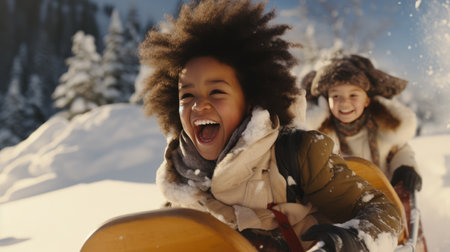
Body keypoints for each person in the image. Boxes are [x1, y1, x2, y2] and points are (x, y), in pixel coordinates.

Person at [139, 1, 402, 251]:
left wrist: (350, 241)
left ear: (250, 99)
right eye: (187, 95)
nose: (199, 106)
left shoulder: (297, 154)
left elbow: (383, 211)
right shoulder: (182, 182)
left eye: (217, 91)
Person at [301, 54, 427, 251]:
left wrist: (405, 167)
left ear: (367, 100)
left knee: (405, 200)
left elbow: (400, 148)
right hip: (343, 200)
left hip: (385, 196)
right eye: (336, 96)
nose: (345, 103)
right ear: (326, 101)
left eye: (353, 95)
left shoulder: (382, 127)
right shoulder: (322, 135)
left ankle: (413, 245)